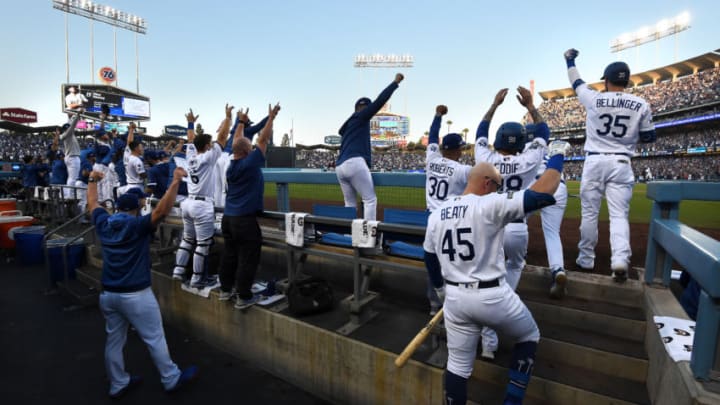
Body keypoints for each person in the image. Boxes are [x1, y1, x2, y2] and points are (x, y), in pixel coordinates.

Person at [423, 140, 571, 405]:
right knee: (529, 336)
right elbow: (545, 191)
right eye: (498, 184)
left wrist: (440, 290)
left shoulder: (437, 214)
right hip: (492, 295)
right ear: (487, 183)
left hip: (455, 299)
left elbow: (429, 257)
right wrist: (557, 155)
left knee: (457, 366)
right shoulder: (489, 204)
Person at [86, 167, 197, 398]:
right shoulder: (135, 225)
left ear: (117, 208)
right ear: (136, 208)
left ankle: (118, 384)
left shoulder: (104, 223)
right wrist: (175, 181)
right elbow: (162, 211)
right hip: (136, 295)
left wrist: (92, 180)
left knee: (114, 341)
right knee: (154, 337)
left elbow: (93, 203)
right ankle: (171, 378)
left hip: (108, 294)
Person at [564, 48, 656, 282]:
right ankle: (620, 259)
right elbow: (649, 137)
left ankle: (586, 259)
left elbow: (576, 82)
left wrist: (570, 60)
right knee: (618, 216)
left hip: (595, 160)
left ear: (606, 80)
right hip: (621, 162)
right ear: (626, 80)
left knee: (590, 213)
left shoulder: (594, 97)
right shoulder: (641, 103)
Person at [474, 87, 548, 359]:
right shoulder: (529, 159)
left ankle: (488, 342)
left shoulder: (486, 159)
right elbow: (543, 133)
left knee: (485, 277)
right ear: (520, 143)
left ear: (499, 140)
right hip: (516, 227)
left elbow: (481, 132)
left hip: (488, 227)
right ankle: (502, 302)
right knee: (514, 267)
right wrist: (531, 107)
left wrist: (494, 105)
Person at [219, 103, 280, 309]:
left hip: (228, 219)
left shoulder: (232, 163)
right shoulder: (249, 162)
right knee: (248, 258)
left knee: (230, 255)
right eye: (251, 148)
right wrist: (271, 117)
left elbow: (237, 141)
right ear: (247, 151)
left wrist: (242, 123)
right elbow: (262, 139)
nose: (254, 148)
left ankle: (226, 290)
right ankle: (244, 297)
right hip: (244, 220)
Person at [172, 105, 232, 287]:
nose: (212, 144)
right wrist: (228, 118)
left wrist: (190, 122)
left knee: (187, 240)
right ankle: (198, 278)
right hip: (202, 205)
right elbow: (222, 138)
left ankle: (178, 271)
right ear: (206, 146)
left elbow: (191, 138)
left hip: (188, 203)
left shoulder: (191, 155)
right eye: (210, 143)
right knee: (203, 244)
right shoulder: (207, 157)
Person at [424, 104, 472, 315]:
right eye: (461, 148)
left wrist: (437, 116)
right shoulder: (462, 170)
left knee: (433, 261)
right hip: (450, 219)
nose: (462, 150)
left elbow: (433, 135)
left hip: (431, 218)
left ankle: (435, 306)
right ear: (455, 150)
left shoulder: (431, 158)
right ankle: (453, 306)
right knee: (453, 261)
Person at [336, 73, 404, 220]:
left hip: (340, 167)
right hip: (355, 163)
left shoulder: (349, 124)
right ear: (365, 108)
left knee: (349, 204)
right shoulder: (361, 116)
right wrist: (395, 83)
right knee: (370, 200)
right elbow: (380, 100)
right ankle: (367, 239)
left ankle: (347, 236)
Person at [526, 124, 569, 299]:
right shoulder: (550, 148)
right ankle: (558, 269)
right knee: (552, 233)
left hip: (535, 186)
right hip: (558, 187)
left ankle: (517, 257)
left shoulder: (524, 148)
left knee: (516, 222)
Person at [59, 111, 83, 199]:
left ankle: (69, 194)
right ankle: (70, 195)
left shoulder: (66, 134)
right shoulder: (67, 134)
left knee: (71, 177)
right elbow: (72, 126)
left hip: (70, 157)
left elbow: (69, 125)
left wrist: (69, 117)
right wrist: (78, 115)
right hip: (73, 157)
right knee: (73, 178)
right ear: (67, 129)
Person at [118, 122, 146, 196]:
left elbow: (129, 142)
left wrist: (131, 130)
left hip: (129, 182)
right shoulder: (135, 158)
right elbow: (129, 142)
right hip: (136, 185)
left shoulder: (128, 155)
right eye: (140, 147)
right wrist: (131, 130)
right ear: (136, 148)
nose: (142, 148)